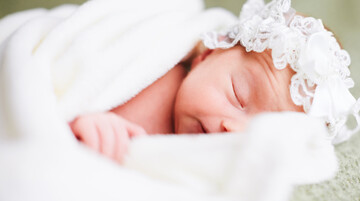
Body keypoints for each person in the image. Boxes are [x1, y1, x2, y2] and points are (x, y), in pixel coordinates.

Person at [69, 0, 360, 163]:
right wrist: (84, 123)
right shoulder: (157, 77)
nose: (231, 129)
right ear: (207, 54)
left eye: (259, 131)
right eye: (238, 95)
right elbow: (66, 93)